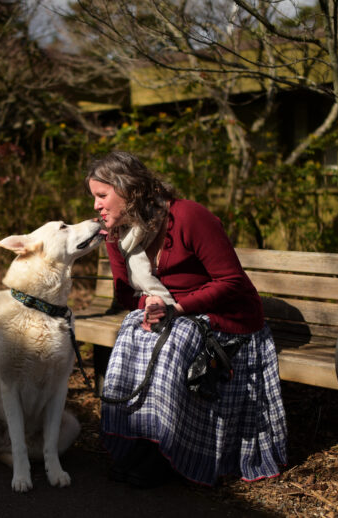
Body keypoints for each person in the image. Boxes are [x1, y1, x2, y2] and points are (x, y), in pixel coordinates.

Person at [86, 151, 287, 488]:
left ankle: (165, 453)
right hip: (176, 316)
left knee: (173, 340)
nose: (96, 205)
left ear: (129, 190)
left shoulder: (189, 217)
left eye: (102, 195)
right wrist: (147, 303)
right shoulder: (121, 233)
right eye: (94, 197)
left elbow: (231, 282)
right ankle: (139, 441)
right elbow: (125, 297)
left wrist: (176, 309)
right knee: (133, 331)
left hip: (228, 318)